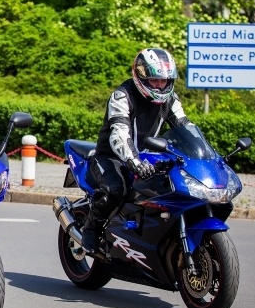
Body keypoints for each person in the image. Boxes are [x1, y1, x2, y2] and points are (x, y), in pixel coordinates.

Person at [81, 47, 191, 254]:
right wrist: (134, 162)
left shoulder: (170, 100)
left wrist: (209, 155)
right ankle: (91, 230)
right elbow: (119, 134)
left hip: (146, 157)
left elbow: (186, 127)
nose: (160, 85)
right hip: (110, 156)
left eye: (164, 81)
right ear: (140, 76)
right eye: (154, 80)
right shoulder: (122, 96)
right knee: (115, 189)